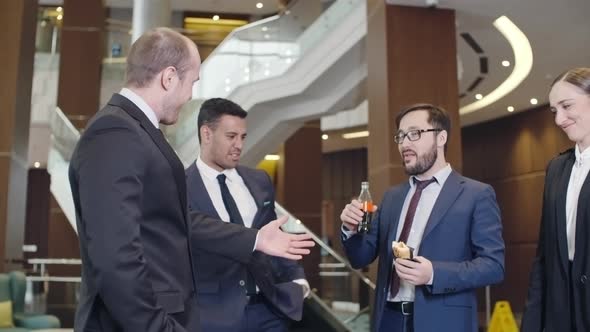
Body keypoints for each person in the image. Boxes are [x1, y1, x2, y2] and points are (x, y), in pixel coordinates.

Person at [68, 27, 314, 332]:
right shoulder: (115, 133)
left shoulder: (134, 130)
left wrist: (256, 239)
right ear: (169, 77)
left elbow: (179, 220)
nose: (191, 94)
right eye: (192, 82)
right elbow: (116, 258)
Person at [340, 104, 505, 332]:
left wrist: (434, 274)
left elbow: (493, 266)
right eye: (400, 136)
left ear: (441, 137)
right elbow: (361, 257)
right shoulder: (392, 197)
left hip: (444, 323)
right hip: (389, 320)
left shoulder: (476, 194)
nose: (404, 144)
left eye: (415, 134)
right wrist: (350, 229)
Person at [185, 98, 309, 332]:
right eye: (231, 136)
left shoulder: (259, 180)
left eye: (243, 137)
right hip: (212, 318)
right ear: (206, 134)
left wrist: (298, 281)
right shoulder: (180, 186)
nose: (239, 145)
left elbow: (275, 235)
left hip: (270, 312)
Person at [522, 67, 590, 332]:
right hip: (559, 314)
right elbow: (544, 256)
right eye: (554, 111)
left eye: (566, 106)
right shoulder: (557, 168)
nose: (559, 119)